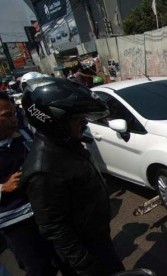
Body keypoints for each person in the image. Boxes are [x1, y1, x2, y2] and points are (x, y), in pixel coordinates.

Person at [20, 78, 125, 275]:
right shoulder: (43, 170)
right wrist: (84, 264)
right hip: (86, 254)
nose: (84, 123)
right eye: (78, 119)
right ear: (55, 122)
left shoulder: (65, 144)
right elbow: (53, 225)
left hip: (98, 238)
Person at [0, 93, 60, 275]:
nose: (14, 118)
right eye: (7, 115)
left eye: (13, 113)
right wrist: (3, 187)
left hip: (46, 212)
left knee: (66, 259)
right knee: (38, 268)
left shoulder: (24, 134)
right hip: (16, 224)